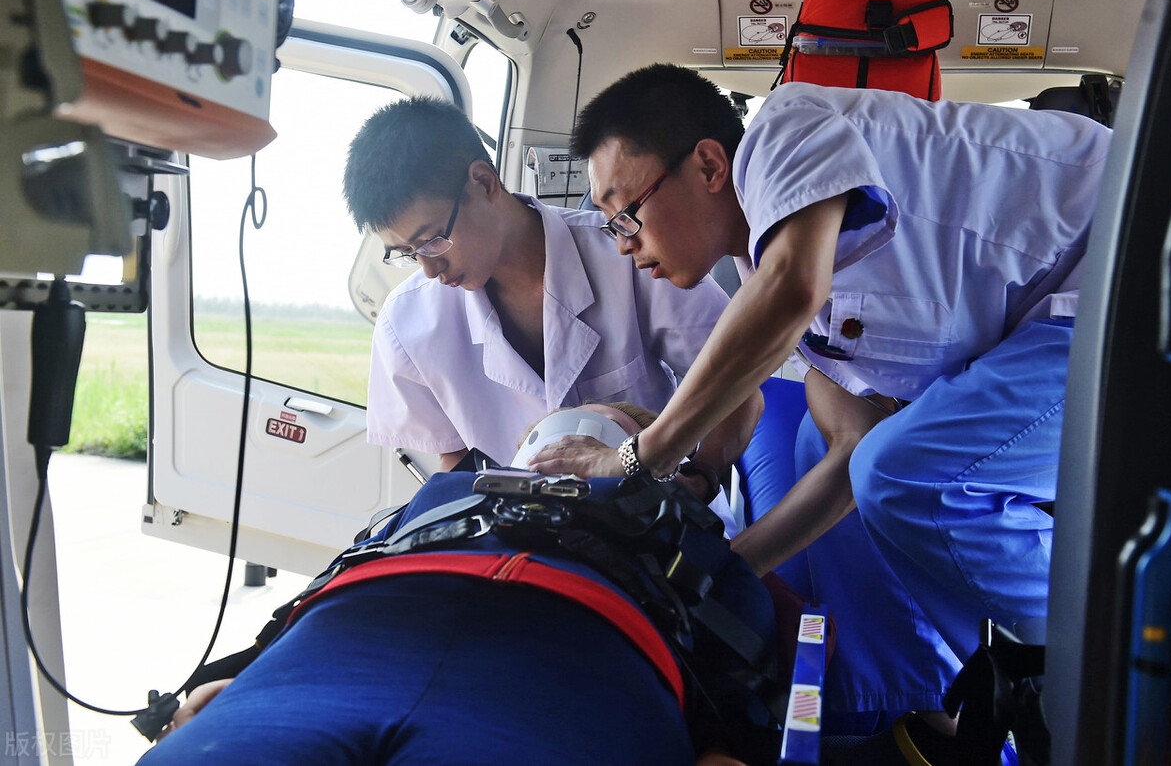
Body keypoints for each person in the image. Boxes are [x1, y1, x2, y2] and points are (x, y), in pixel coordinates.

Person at [530, 64, 1110, 738]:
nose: (626, 244)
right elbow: (848, 458)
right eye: (610, 227)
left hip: (1124, 261)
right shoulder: (795, 294)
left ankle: (1095, 677)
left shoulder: (786, 128)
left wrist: (633, 458)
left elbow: (788, 290)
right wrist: (712, 580)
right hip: (1056, 319)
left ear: (710, 165)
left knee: (904, 474)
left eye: (626, 213)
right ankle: (984, 694)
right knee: (844, 455)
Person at [137, 404, 776, 766]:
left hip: (561, 684)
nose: (570, 434)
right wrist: (250, 676)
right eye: (553, 426)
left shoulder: (686, 530)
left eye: (605, 424)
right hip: (332, 663)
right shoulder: (440, 496)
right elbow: (317, 591)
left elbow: (746, 695)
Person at [342, 97, 761, 484]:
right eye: (406, 253)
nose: (429, 269)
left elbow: (741, 388)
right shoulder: (406, 324)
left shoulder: (632, 256)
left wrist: (702, 479)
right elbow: (456, 469)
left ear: (483, 182)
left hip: (652, 517)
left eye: (432, 240)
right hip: (525, 544)